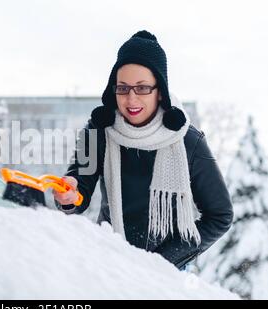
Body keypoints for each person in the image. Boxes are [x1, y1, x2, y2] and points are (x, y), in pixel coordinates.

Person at [53, 30, 234, 270]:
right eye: (122, 88)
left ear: (160, 91)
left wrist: (160, 263)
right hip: (108, 259)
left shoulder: (188, 141)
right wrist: (69, 196)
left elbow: (220, 215)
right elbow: (79, 189)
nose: (131, 99)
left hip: (165, 272)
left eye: (142, 88)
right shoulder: (99, 130)